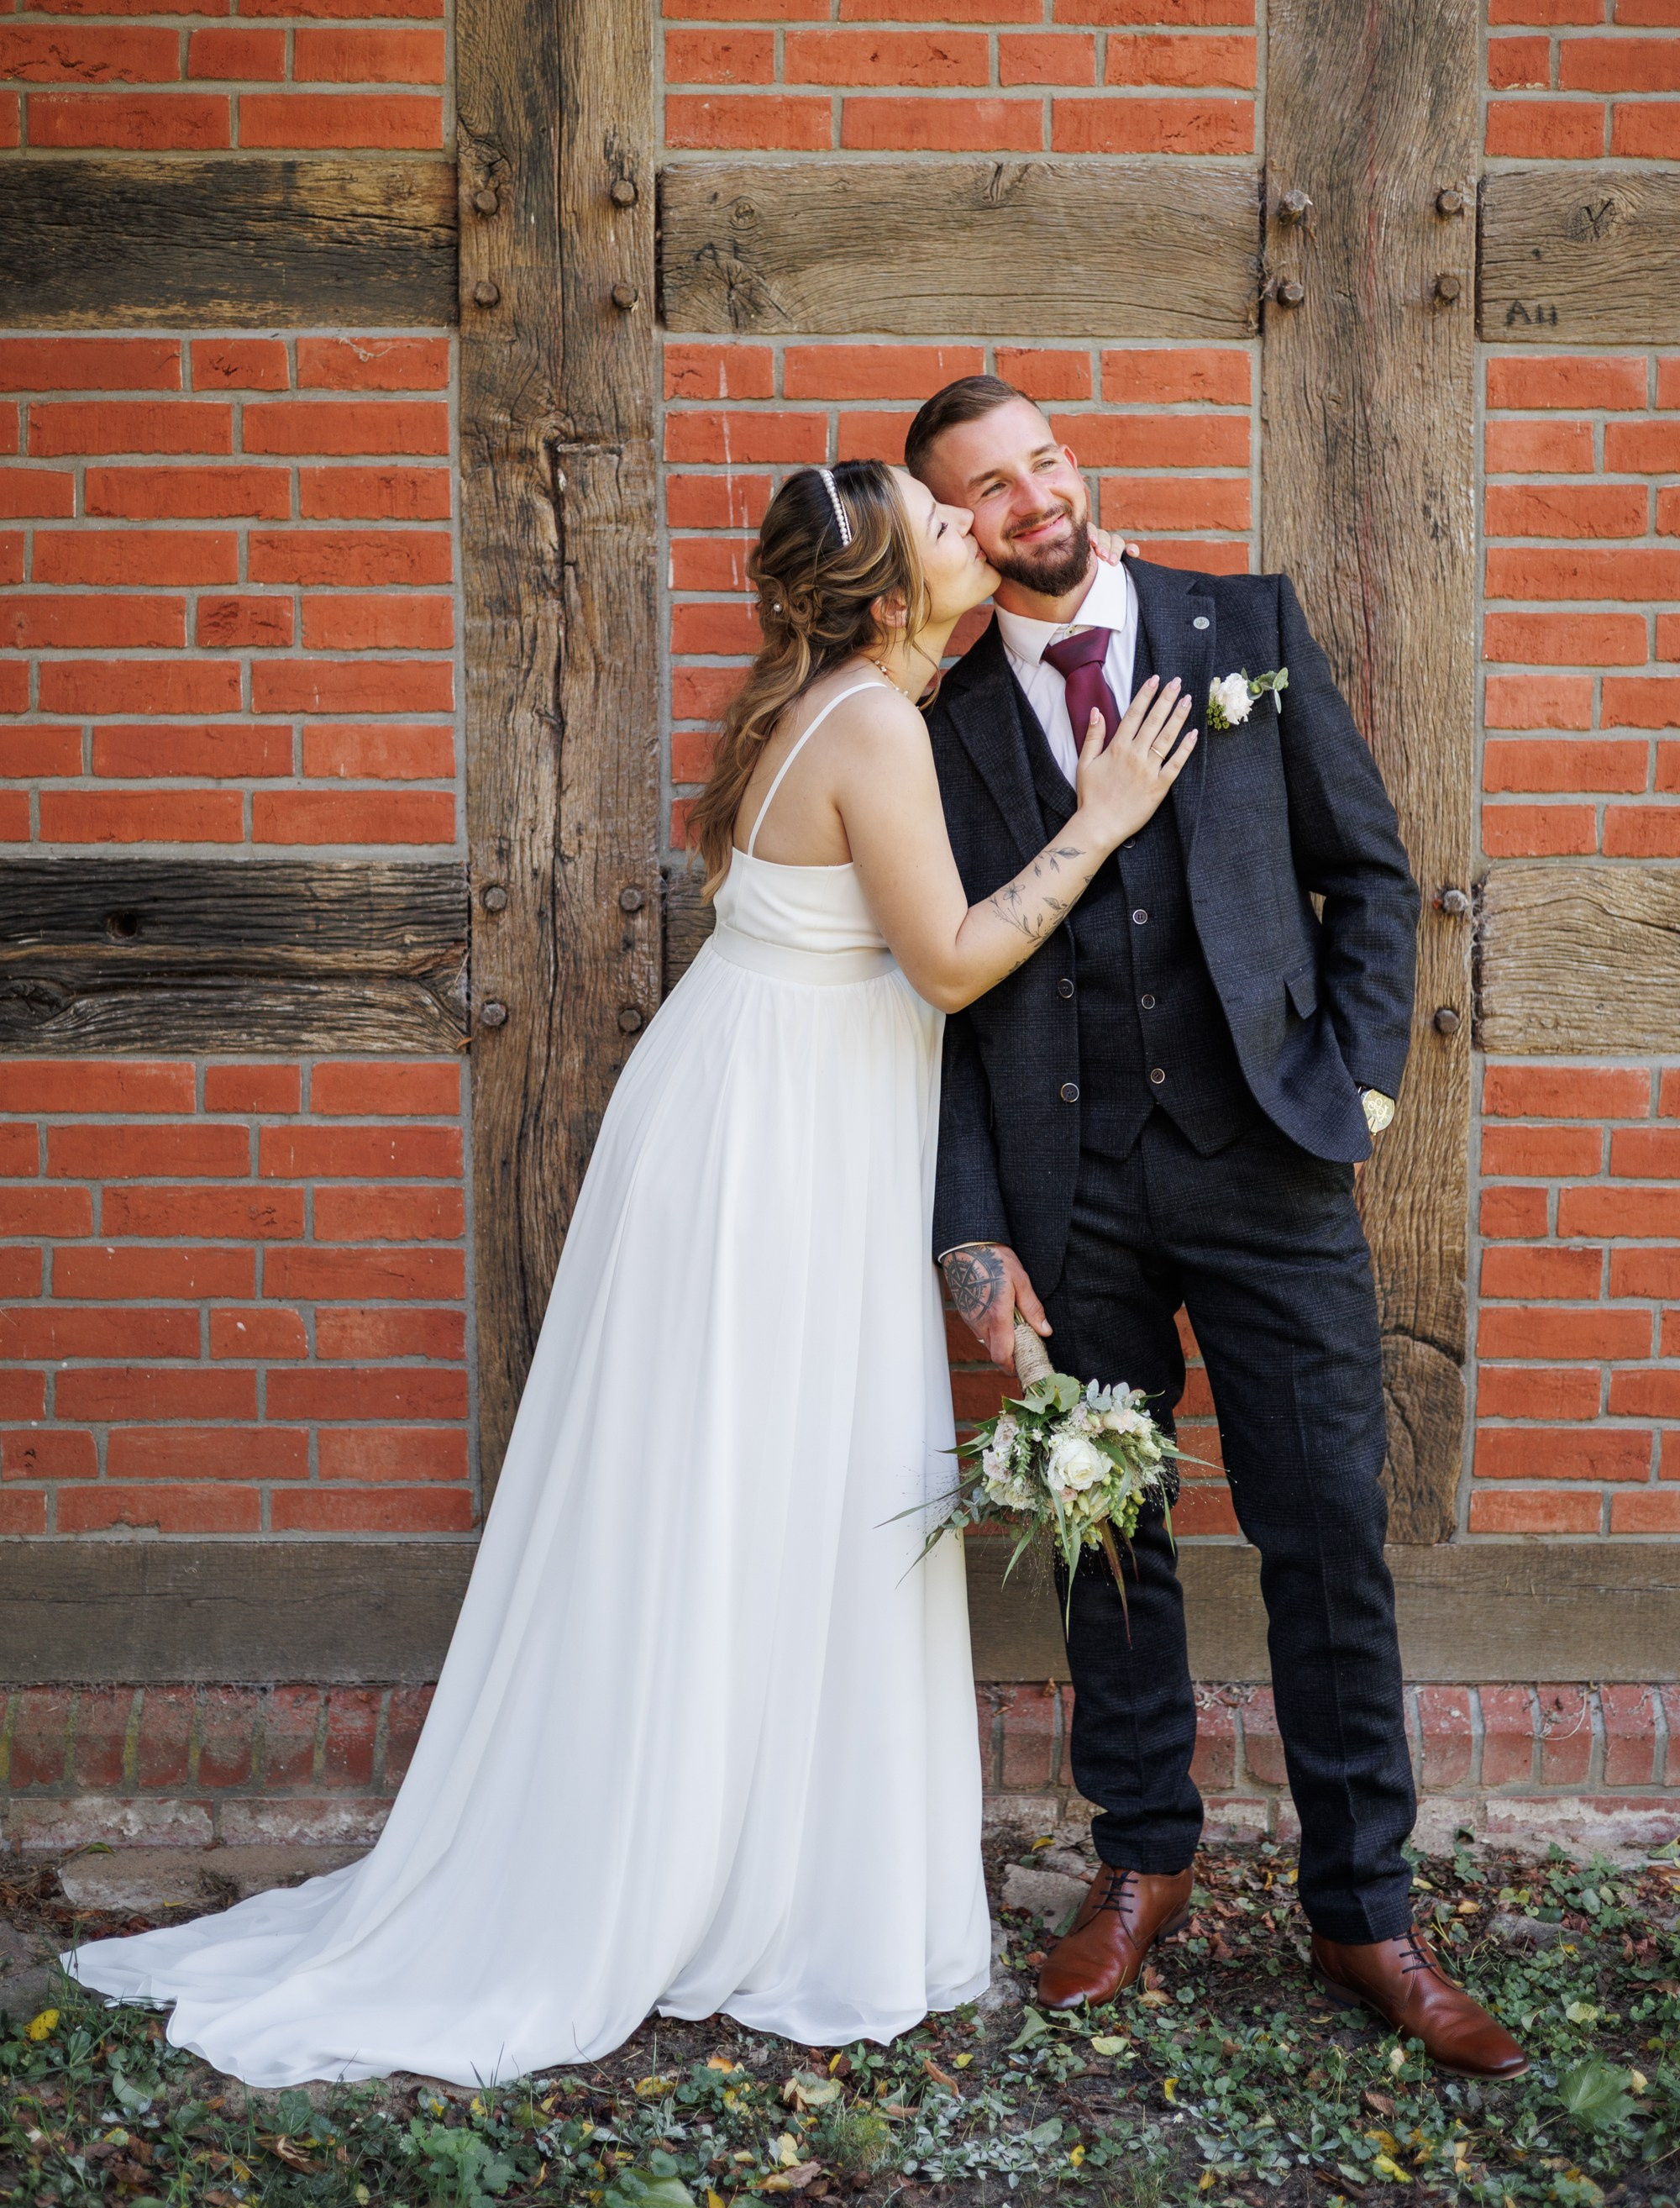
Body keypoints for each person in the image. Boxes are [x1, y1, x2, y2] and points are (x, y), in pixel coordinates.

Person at [63, 459, 1194, 2089]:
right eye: (942, 522)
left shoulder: (832, 696)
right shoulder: (873, 723)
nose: (970, 524)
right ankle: (714, 1869)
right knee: (764, 1486)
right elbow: (946, 961)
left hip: (759, 1121)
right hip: (768, 1153)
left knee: (750, 1492)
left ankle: (732, 1847)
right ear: (892, 593)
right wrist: (1097, 819)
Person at [909, 376, 1526, 2081]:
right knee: (1109, 1538)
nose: (1034, 497)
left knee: (1326, 1522)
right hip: (1069, 1184)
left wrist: (1360, 1093)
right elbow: (941, 1004)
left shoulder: (1236, 625)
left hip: (1269, 1162)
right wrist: (972, 1235)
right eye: (988, 488)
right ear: (954, 529)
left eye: (1042, 460)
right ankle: (1144, 1859)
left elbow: (1372, 875)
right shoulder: (947, 716)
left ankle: (1365, 1909)